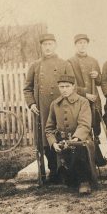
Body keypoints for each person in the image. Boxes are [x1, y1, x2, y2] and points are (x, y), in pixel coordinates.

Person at [24, 33, 74, 183]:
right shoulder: (35, 66)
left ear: (55, 45)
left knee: (64, 136)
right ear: (41, 46)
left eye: (50, 44)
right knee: (46, 139)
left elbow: (73, 86)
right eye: (45, 44)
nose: (47, 47)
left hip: (62, 107)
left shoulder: (64, 64)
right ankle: (53, 169)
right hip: (43, 109)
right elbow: (27, 88)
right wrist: (32, 103)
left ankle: (65, 170)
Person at [45, 75, 97, 194]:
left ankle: (84, 181)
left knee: (79, 148)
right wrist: (53, 143)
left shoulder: (83, 102)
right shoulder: (54, 104)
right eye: (61, 87)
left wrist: (75, 139)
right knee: (67, 177)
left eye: (67, 86)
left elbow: (84, 124)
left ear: (73, 87)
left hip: (81, 139)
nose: (64, 89)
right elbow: (49, 128)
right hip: (62, 141)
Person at [68, 34, 106, 166]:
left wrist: (97, 76)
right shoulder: (70, 62)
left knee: (96, 128)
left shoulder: (93, 61)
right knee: (84, 127)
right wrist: (85, 94)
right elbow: (69, 86)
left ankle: (97, 157)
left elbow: (101, 81)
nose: (82, 45)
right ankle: (88, 159)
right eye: (79, 43)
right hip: (80, 101)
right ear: (75, 45)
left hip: (95, 101)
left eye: (84, 42)